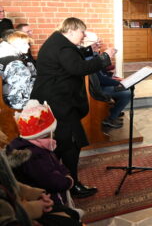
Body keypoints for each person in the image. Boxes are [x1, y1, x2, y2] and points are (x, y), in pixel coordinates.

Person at [30, 17, 115, 199]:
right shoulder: (63, 46)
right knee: (70, 144)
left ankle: (60, 180)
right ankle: (71, 184)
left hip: (55, 101)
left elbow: (70, 60)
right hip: (59, 103)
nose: (83, 35)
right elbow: (77, 68)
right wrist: (105, 57)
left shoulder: (59, 42)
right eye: (82, 32)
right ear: (71, 31)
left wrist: (88, 50)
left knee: (63, 144)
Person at [6, 100, 83, 225]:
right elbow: (51, 180)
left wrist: (65, 172)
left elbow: (56, 163)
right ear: (45, 134)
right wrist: (68, 181)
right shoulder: (34, 157)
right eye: (50, 133)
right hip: (47, 199)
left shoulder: (34, 146)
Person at [0, 30, 36, 110]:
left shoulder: (3, 56)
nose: (28, 46)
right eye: (24, 43)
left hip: (6, 102)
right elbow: (20, 99)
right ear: (14, 44)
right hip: (18, 107)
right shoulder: (15, 64)